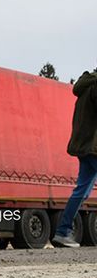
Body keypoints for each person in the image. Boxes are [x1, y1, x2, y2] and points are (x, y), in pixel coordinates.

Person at [52, 70, 97, 248]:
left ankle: (63, 232)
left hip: (84, 147)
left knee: (81, 192)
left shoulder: (85, 86)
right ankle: (63, 231)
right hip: (93, 147)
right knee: (81, 191)